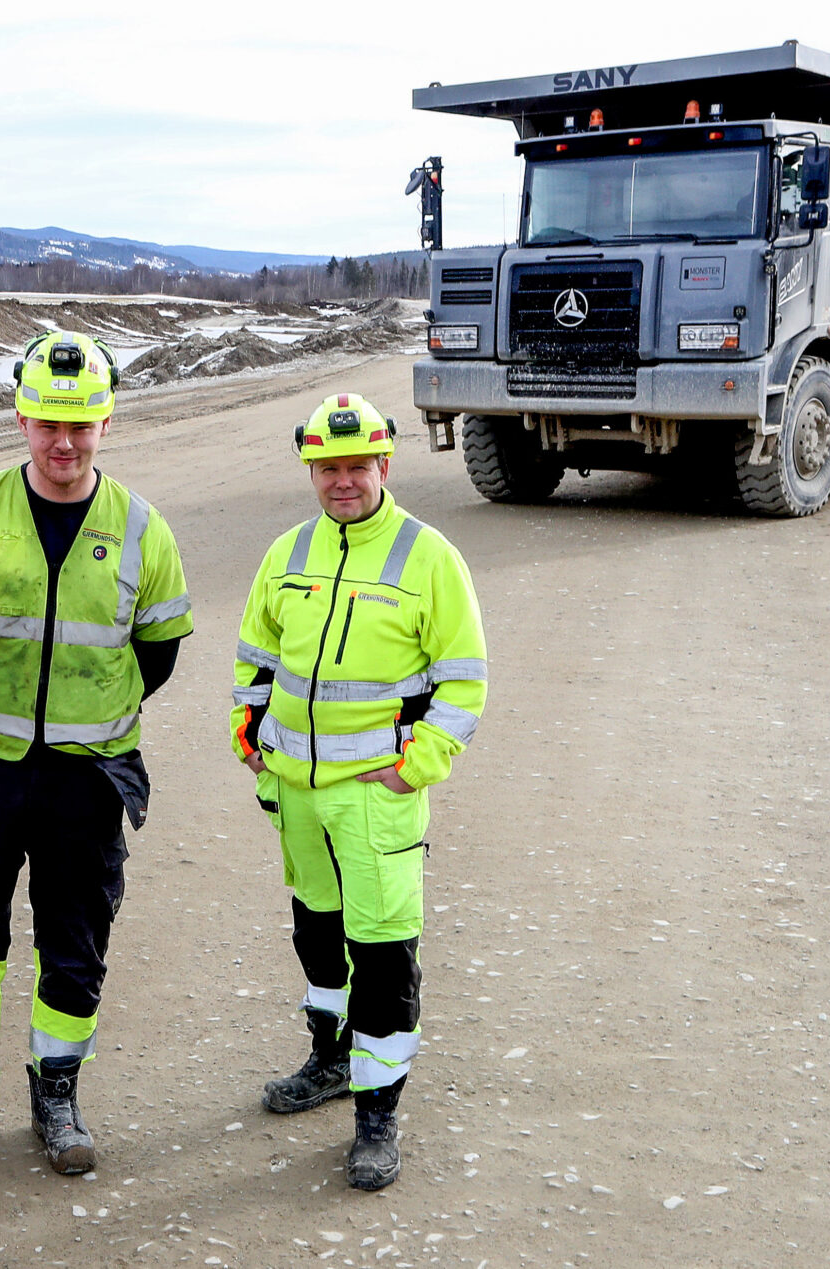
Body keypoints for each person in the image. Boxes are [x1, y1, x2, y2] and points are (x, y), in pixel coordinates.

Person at [0, 329, 192, 1176]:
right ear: (20, 417)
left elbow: (158, 650)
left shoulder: (140, 527)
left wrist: (90, 714)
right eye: (48, 424)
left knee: (76, 940)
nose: (64, 443)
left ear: (106, 422)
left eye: (82, 425)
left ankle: (57, 1093)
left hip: (89, 772)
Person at [231, 392, 488, 1191]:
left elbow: (464, 680)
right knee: (317, 934)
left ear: (385, 463)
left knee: (380, 952)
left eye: (357, 465)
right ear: (312, 468)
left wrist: (417, 763)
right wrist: (251, 730)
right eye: (328, 467)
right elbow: (257, 655)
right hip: (298, 794)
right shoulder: (288, 552)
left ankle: (377, 1111)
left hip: (375, 795)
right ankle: (329, 1057)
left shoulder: (429, 555)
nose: (343, 480)